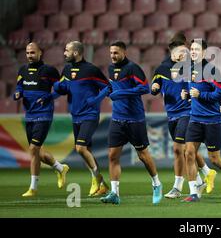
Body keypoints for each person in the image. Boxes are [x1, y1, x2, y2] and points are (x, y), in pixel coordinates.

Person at [150, 33, 216, 199]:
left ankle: (178, 187)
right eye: (180, 52)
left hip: (187, 112)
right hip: (171, 113)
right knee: (187, 150)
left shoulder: (190, 67)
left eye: (185, 52)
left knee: (178, 148)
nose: (183, 54)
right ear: (172, 52)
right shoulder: (162, 68)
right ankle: (206, 174)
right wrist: (155, 87)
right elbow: (154, 84)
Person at [100, 41, 162, 205]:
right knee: (112, 156)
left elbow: (145, 88)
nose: (113, 56)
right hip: (117, 118)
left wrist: (121, 93)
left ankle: (156, 184)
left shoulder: (133, 68)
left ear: (124, 53)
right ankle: (115, 193)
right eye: (111, 52)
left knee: (143, 155)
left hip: (135, 118)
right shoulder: (111, 69)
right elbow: (113, 88)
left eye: (116, 53)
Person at [182, 39, 221, 202]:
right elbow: (194, 91)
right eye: (191, 49)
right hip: (195, 119)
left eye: (196, 49)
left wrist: (201, 96)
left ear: (204, 52)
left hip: (212, 120)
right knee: (189, 153)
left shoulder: (212, 71)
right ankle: (193, 192)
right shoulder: (190, 69)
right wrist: (187, 95)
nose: (193, 52)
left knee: (215, 159)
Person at [53, 41, 108, 196]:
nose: (64, 53)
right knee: (85, 151)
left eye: (67, 50)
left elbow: (107, 87)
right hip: (75, 115)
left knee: (80, 148)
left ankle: (97, 179)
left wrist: (96, 101)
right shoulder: (67, 69)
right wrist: (55, 90)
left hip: (90, 115)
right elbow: (64, 89)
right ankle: (102, 184)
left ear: (76, 53)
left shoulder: (91, 69)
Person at [13, 42, 69, 197]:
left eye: (32, 52)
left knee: (33, 149)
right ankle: (60, 168)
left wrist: (50, 96)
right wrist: (17, 94)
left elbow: (61, 89)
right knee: (38, 152)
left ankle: (33, 188)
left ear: (40, 53)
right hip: (29, 115)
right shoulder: (22, 70)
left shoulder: (49, 71)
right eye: (27, 53)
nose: (30, 55)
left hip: (44, 114)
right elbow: (19, 87)